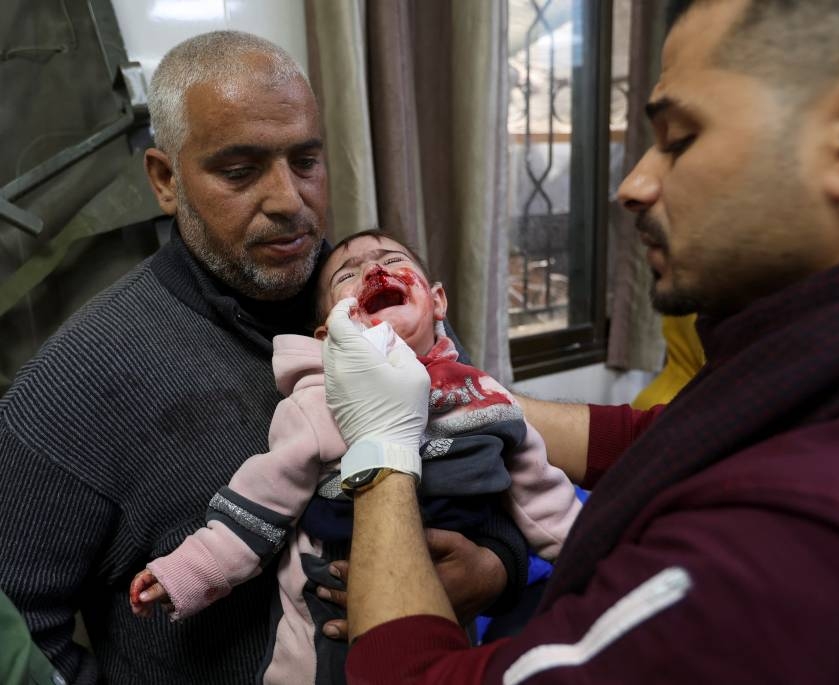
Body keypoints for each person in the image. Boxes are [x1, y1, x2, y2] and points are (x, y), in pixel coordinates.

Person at [321, 0, 839, 682]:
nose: (634, 184)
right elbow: (661, 439)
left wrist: (381, 442)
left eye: (679, 138)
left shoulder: (810, 542)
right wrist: (459, 393)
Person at [0, 31, 526, 684]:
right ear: (166, 180)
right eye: (241, 171)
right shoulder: (72, 384)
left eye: (306, 160)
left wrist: (495, 567)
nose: (288, 200)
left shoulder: (388, 305)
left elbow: (503, 468)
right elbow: (19, 631)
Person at [128, 230, 580, 684]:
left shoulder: (483, 395)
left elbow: (540, 493)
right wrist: (187, 573)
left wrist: (589, 552)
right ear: (328, 335)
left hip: (439, 605)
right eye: (348, 274)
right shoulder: (318, 404)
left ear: (438, 302)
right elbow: (259, 503)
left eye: (391, 259)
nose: (372, 270)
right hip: (325, 610)